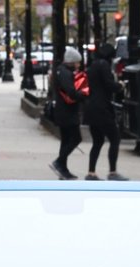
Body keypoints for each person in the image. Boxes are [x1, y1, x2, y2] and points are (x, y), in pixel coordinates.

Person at [84, 43, 127, 180]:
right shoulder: (104, 65)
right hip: (102, 108)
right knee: (115, 138)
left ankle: (91, 172)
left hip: (91, 108)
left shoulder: (93, 65)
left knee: (97, 141)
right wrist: (120, 86)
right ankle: (112, 172)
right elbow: (109, 84)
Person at [49, 47, 85, 179]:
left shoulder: (60, 71)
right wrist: (83, 94)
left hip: (62, 110)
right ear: (72, 61)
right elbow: (71, 92)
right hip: (68, 112)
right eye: (77, 62)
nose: (78, 65)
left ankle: (62, 169)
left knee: (65, 140)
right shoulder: (65, 73)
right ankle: (59, 162)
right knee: (76, 138)